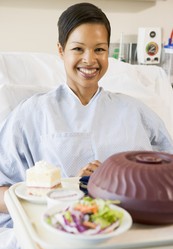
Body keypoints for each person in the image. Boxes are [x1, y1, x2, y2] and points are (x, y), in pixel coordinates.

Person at [0, 2, 173, 227]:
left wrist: (114, 179)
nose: (90, 60)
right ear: (61, 51)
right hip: (54, 229)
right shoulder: (31, 114)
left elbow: (166, 178)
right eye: (78, 49)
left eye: (99, 49)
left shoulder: (135, 112)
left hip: (132, 228)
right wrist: (65, 190)